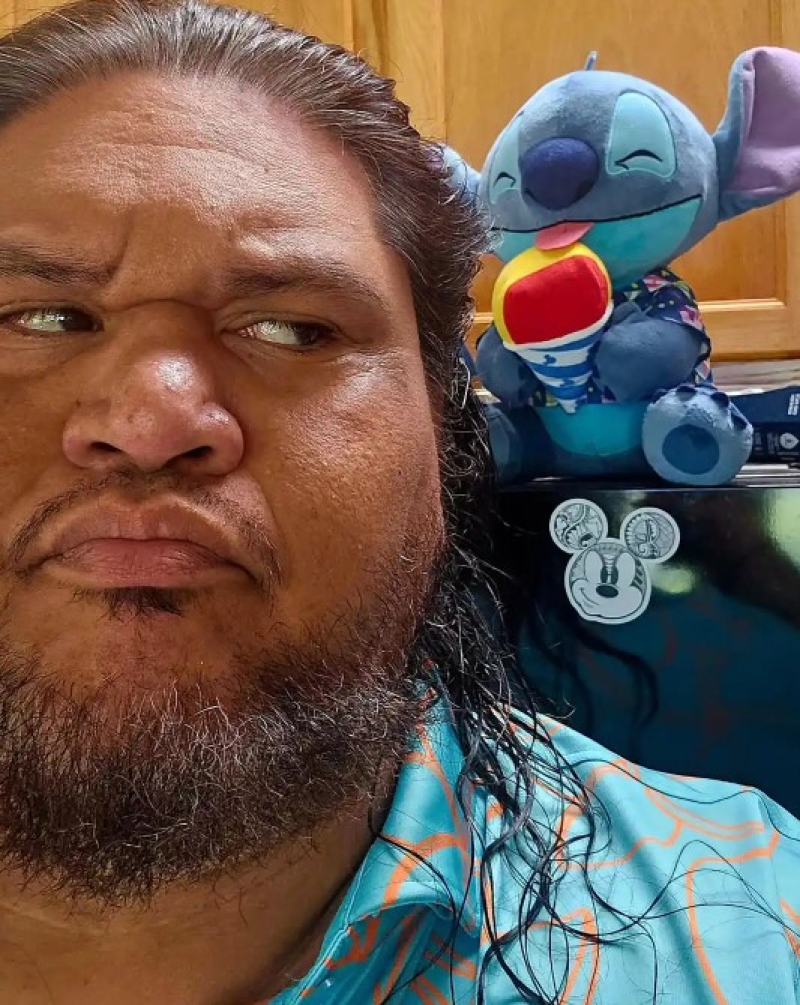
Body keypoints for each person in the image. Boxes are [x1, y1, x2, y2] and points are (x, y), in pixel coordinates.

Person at [0, 1, 796, 1002]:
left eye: (292, 329)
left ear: (446, 438)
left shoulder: (766, 934)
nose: (151, 420)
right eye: (39, 316)